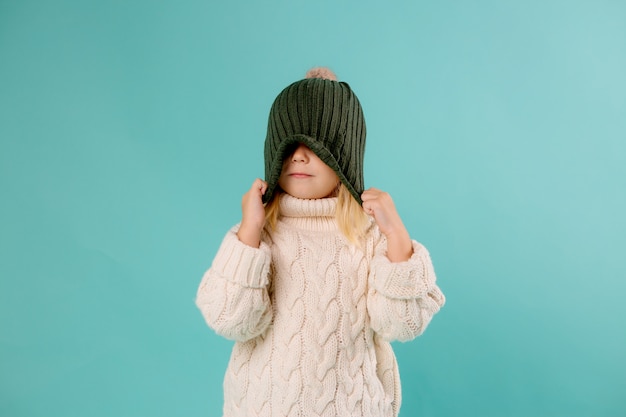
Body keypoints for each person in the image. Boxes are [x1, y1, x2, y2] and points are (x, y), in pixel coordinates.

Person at [196, 67, 445, 417]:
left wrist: (396, 236)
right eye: (289, 145)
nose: (298, 155)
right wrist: (249, 232)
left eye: (315, 144)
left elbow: (401, 324)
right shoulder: (259, 235)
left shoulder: (369, 236)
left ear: (343, 155)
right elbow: (229, 320)